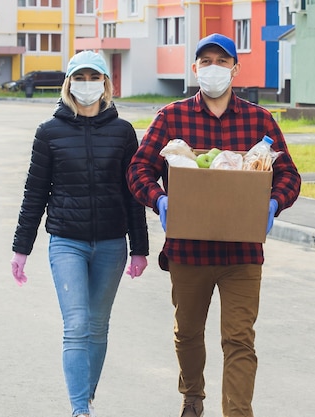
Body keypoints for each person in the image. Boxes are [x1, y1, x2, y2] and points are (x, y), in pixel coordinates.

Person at [126, 33, 301, 417]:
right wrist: (160, 200)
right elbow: (139, 169)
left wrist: (273, 202)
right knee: (187, 333)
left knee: (239, 340)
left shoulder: (260, 121)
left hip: (242, 253)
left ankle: (237, 413)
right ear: (194, 69)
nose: (213, 69)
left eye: (222, 62)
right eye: (205, 61)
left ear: (235, 69)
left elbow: (289, 175)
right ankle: (192, 395)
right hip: (189, 251)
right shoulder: (172, 117)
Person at [10, 50, 149, 417]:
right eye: (80, 77)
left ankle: (84, 397)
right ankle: (79, 411)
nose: (87, 84)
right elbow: (35, 194)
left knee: (98, 327)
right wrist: (20, 250)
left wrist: (140, 249)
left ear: (105, 83)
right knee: (77, 325)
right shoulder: (49, 132)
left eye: (94, 77)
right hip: (66, 242)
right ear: (68, 83)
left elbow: (132, 194)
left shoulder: (122, 132)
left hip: (111, 244)